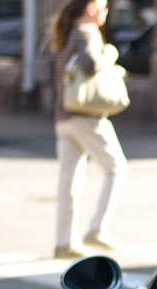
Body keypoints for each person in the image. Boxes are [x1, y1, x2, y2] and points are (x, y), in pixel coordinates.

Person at [51, 0, 128, 259]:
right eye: (104, 6)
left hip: (64, 117)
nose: (106, 12)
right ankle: (97, 229)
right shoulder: (87, 32)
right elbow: (90, 65)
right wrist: (110, 54)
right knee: (117, 167)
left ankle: (64, 243)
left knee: (69, 182)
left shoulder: (67, 32)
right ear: (92, 8)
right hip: (86, 116)